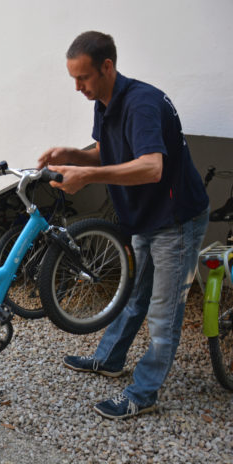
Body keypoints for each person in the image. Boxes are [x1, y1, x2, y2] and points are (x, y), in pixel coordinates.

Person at [37, 31, 209, 419]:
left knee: (163, 314)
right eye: (73, 79)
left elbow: (151, 167)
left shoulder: (142, 103)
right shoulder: (105, 98)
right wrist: (74, 155)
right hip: (145, 218)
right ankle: (110, 359)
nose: (78, 87)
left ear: (107, 66)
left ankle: (144, 392)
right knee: (134, 295)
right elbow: (105, 150)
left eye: (83, 78)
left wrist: (87, 177)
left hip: (176, 220)